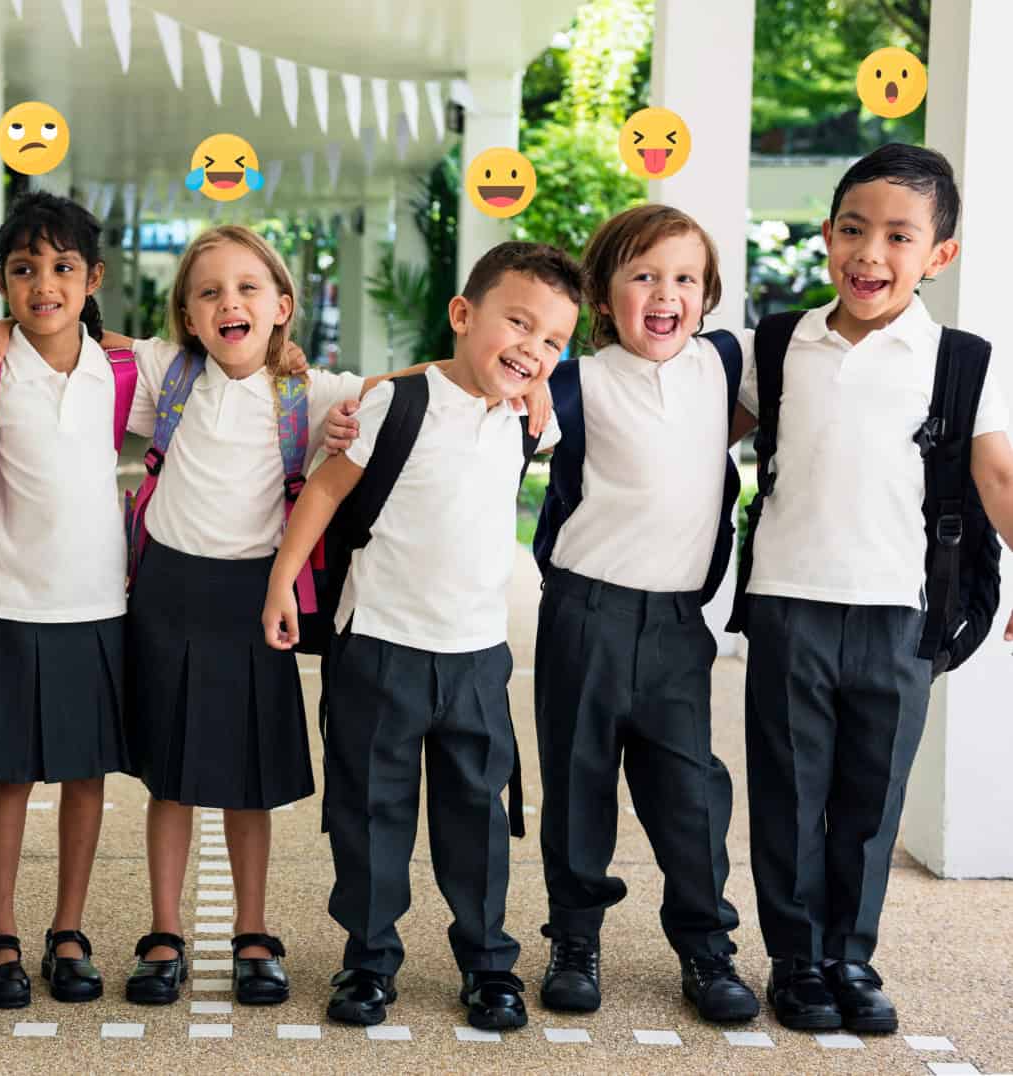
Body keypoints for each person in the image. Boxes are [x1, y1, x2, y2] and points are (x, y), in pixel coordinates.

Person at [261, 241, 580, 1031]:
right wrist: (281, 581)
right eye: (518, 323)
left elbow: (541, 405)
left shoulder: (529, 421)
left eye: (553, 341)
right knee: (371, 814)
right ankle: (367, 962)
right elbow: (327, 494)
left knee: (478, 818)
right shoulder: (395, 402)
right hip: (379, 646)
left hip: (477, 655)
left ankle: (487, 963)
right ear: (463, 315)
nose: (533, 349)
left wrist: (535, 389)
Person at [731, 143, 1013, 1033]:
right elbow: (693, 428)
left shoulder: (962, 360)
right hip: (787, 601)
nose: (870, 254)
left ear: (939, 255)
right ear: (826, 236)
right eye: (853, 229)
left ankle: (850, 957)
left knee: (869, 798)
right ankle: (794, 961)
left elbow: (998, 474)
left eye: (899, 236)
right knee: (789, 791)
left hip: (902, 611)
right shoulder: (777, 344)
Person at [530, 204, 758, 1023]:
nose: (666, 295)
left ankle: (706, 946)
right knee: (578, 781)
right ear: (602, 293)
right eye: (643, 276)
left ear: (708, 294)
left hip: (675, 624)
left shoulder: (728, 365)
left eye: (685, 279)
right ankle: (575, 937)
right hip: (583, 613)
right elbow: (481, 393)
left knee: (688, 789)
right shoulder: (572, 381)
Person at [0, 192, 134, 1009]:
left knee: (85, 776)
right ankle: (0, 930)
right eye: (23, 270)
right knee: (8, 777)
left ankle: (69, 928)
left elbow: (213, 378)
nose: (43, 284)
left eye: (61, 267)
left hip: (97, 608)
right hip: (8, 602)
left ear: (92, 277)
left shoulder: (123, 367)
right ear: (2, 280)